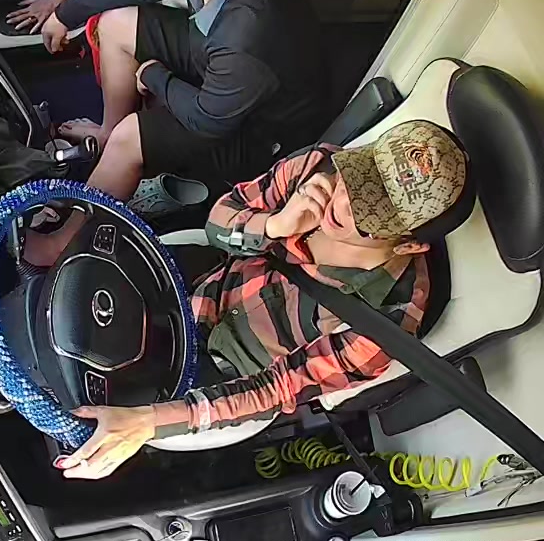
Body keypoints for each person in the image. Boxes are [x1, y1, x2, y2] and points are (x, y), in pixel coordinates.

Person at [54, 120, 474, 480]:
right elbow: (223, 216)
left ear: (409, 246)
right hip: (205, 282)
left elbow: (273, 390)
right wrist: (274, 226)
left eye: (369, 212)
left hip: (227, 378)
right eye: (359, 176)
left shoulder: (385, 324)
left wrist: (145, 422)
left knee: (92, 419)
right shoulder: (320, 167)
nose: (342, 201)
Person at [24, 0, 326, 268]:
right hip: (221, 63)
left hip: (259, 133)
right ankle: (106, 134)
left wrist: (155, 76)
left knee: (131, 137)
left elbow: (207, 119)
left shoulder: (248, 35)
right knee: (116, 24)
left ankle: (62, 244)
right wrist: (65, 13)